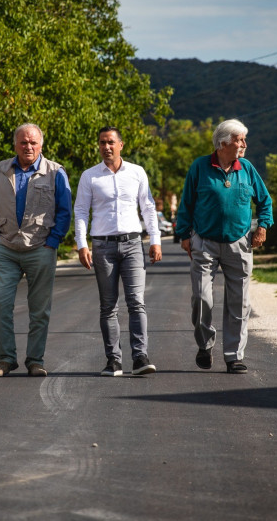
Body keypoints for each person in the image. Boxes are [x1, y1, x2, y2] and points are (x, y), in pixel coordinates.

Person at [175, 119, 273, 374]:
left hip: (239, 242)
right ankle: (205, 345)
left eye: (243, 140)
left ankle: (234, 356)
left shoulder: (247, 168)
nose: (244, 144)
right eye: (239, 140)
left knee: (239, 303)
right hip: (204, 242)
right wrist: (184, 234)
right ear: (223, 144)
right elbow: (186, 203)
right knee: (201, 298)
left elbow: (265, 201)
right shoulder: (200, 167)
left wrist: (262, 226)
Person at [0, 123, 72, 377]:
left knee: (40, 309)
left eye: (33, 142)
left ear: (41, 145)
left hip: (41, 247)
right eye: (23, 142)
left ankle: (35, 361)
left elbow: (64, 210)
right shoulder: (0, 170)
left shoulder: (55, 172)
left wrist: (53, 241)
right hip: (5, 247)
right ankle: (6, 359)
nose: (28, 146)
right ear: (15, 145)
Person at [74, 126, 162, 377]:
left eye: (111, 142)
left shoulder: (137, 172)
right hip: (103, 247)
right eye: (102, 142)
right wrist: (82, 244)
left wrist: (155, 239)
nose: (106, 147)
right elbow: (81, 211)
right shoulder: (90, 176)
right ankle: (113, 361)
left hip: (133, 244)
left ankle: (140, 357)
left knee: (136, 302)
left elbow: (148, 207)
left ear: (121, 145)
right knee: (108, 306)